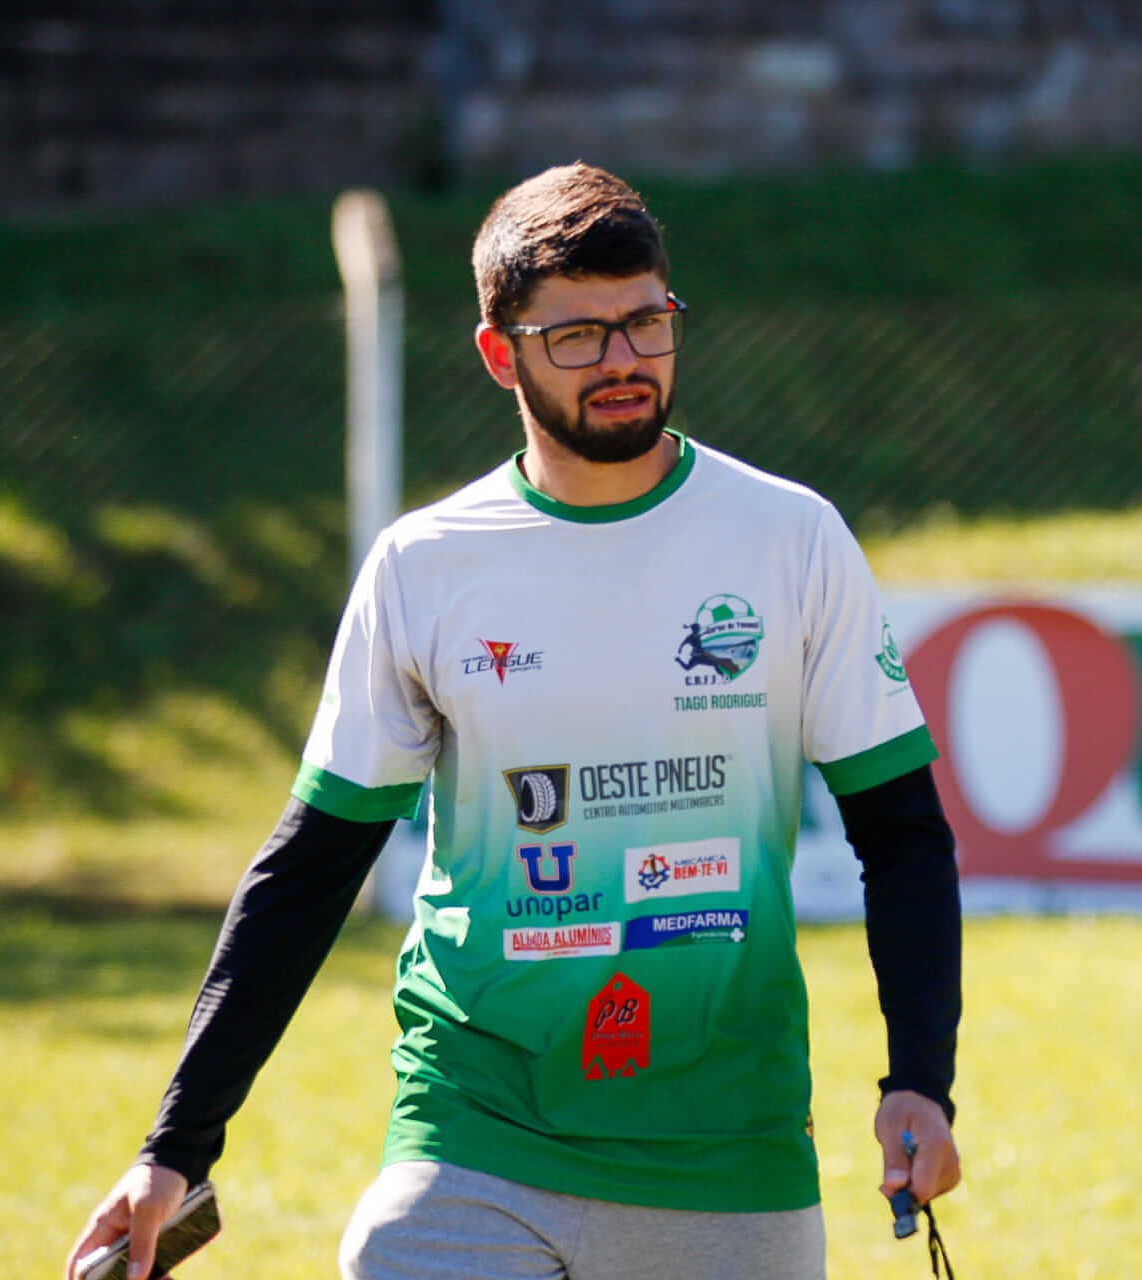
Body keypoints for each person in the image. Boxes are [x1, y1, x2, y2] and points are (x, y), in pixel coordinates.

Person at [65, 162, 963, 1280]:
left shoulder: (789, 538)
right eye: (579, 336)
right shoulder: (425, 566)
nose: (625, 359)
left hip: (727, 1145)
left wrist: (919, 1074)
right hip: (474, 1131)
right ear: (502, 354)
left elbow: (902, 830)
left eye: (646, 320)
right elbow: (310, 868)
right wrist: (174, 1147)